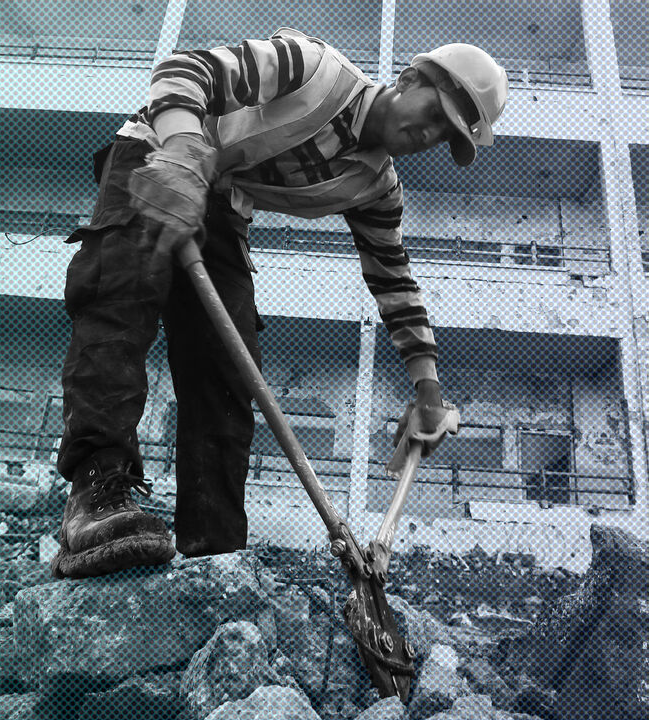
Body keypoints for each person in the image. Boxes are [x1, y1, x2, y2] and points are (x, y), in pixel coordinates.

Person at [51, 29, 508, 578]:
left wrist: (428, 390)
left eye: (441, 136)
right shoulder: (314, 68)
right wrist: (180, 153)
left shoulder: (376, 187)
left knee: (229, 365)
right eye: (433, 114)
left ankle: (213, 552)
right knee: (122, 295)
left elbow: (395, 282)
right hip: (160, 153)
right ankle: (97, 494)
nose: (426, 134)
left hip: (223, 201)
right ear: (411, 78)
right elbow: (183, 69)